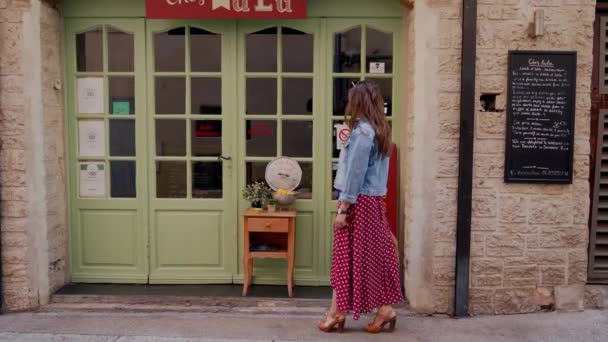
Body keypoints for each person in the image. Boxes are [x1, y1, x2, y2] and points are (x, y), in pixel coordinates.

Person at [318, 80, 403, 333]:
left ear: (359, 102)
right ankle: (381, 310)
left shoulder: (363, 134)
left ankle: (337, 312)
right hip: (371, 201)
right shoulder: (379, 130)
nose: (348, 103)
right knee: (368, 258)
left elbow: (355, 175)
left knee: (347, 259)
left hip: (358, 203)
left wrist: (343, 209)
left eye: (352, 99)